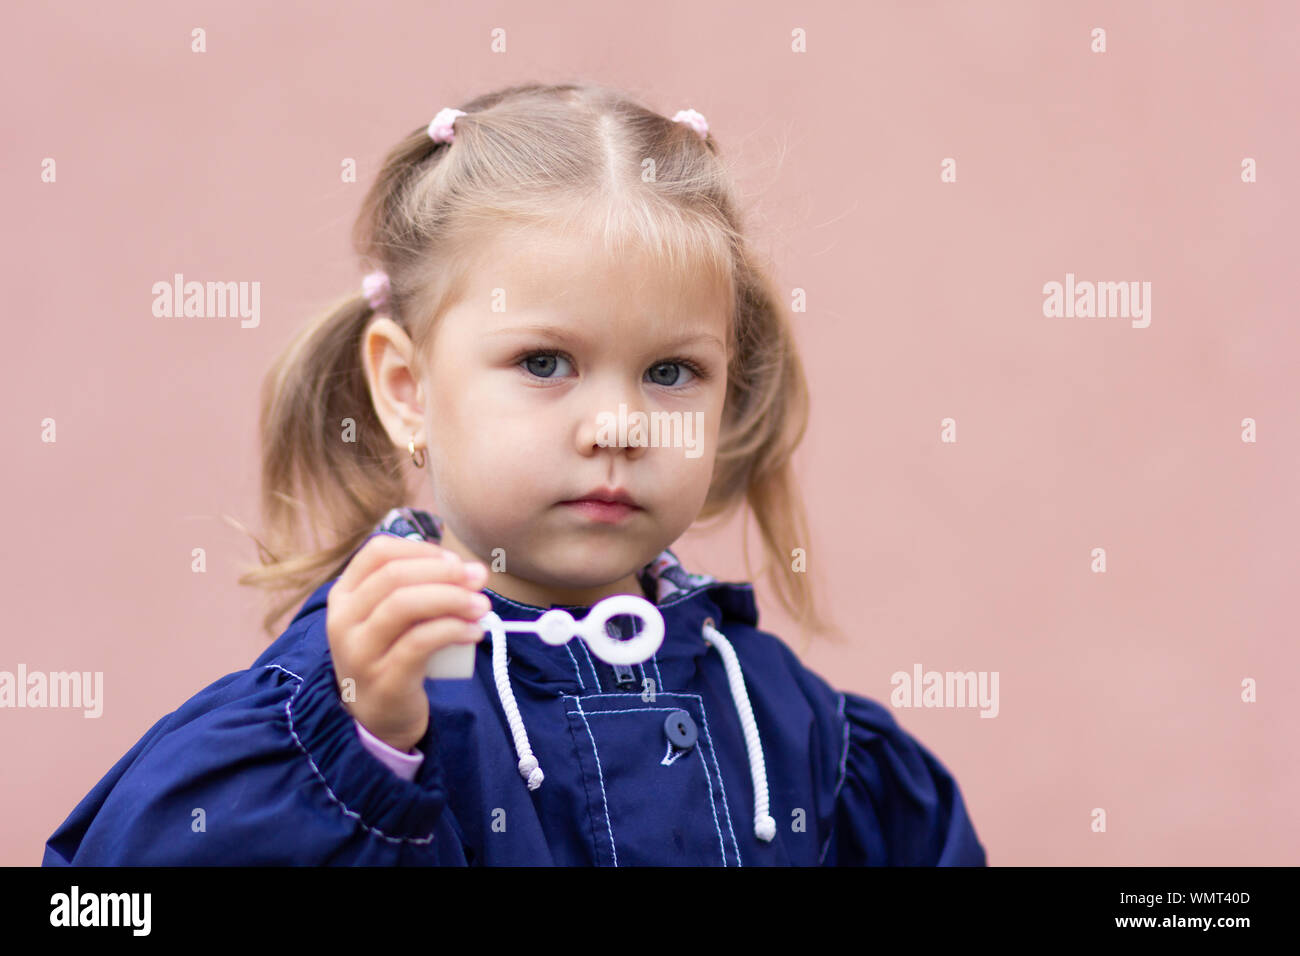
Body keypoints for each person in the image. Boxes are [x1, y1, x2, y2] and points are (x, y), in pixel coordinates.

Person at [43, 82, 987, 866]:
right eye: (544, 363)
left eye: (671, 373)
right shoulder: (364, 697)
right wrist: (369, 753)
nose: (615, 425)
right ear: (407, 389)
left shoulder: (794, 728)